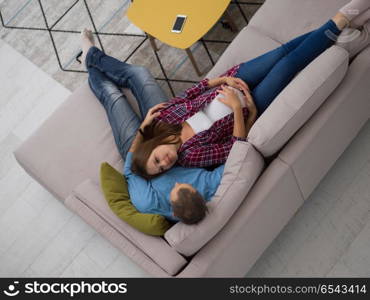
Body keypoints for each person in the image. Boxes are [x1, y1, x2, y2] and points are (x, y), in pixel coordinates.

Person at [82, 1, 370, 176]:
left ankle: (337, 30)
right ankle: (342, 20)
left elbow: (192, 93)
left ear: (152, 147)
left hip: (233, 80)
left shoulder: (161, 121)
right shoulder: (190, 156)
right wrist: (241, 108)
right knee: (287, 65)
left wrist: (223, 80)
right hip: (248, 102)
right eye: (162, 168)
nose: (166, 162)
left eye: (157, 159)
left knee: (282, 51)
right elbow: (233, 148)